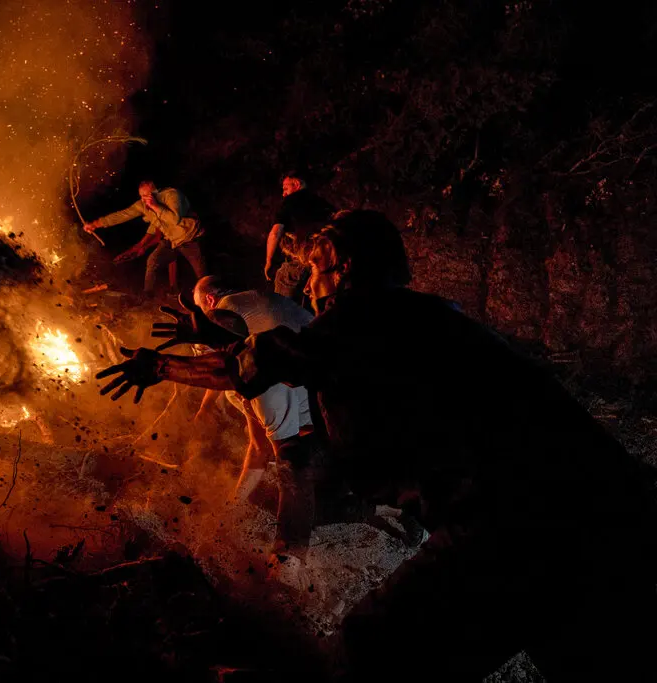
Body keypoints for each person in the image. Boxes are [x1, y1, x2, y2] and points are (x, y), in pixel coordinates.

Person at [98, 210, 657, 681]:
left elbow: (260, 361)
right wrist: (209, 332)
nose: (309, 284)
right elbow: (303, 349)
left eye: (314, 270)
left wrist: (160, 365)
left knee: (372, 646)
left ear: (343, 270)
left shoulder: (361, 320)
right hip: (609, 515)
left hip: (511, 524)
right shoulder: (429, 318)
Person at [185, 276, 316, 551]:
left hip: (334, 402)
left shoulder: (266, 384)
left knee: (292, 463)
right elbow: (230, 363)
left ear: (210, 300)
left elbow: (263, 452)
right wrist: (206, 405)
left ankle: (291, 552)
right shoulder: (249, 306)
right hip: (315, 373)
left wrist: (230, 510)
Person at [83, 180, 207, 297]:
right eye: (141, 196)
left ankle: (209, 298)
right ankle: (147, 295)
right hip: (172, 241)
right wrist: (95, 224)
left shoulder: (171, 195)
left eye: (146, 195)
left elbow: (174, 220)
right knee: (152, 261)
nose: (144, 199)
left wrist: (155, 206)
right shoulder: (142, 205)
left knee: (201, 274)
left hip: (190, 238)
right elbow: (121, 215)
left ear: (155, 193)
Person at [264, 170, 335, 304]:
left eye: (285, 188)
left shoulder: (290, 201)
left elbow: (275, 232)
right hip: (322, 265)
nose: (283, 193)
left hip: (299, 260)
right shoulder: (322, 203)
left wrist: (269, 261)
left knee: (283, 306)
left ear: (296, 184)